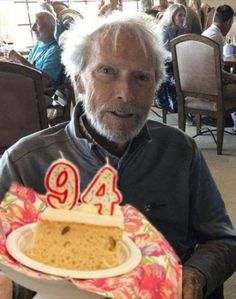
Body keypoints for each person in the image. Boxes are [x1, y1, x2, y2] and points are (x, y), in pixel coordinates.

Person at [0, 12, 236, 299]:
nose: (125, 93)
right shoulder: (24, 163)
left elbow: (222, 238)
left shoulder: (180, 152)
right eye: (107, 72)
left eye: (140, 77)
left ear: (155, 87)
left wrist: (194, 276)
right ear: (79, 80)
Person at [7, 11, 62, 90]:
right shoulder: (39, 44)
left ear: (51, 28)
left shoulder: (55, 51)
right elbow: (29, 65)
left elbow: (44, 82)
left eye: (37, 24)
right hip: (27, 87)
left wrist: (20, 59)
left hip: (40, 95)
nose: (32, 28)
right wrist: (15, 60)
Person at [202, 4, 236, 132]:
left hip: (194, 86)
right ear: (228, 22)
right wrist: (232, 77)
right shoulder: (218, 38)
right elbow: (217, 72)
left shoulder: (206, 33)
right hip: (211, 90)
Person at [155, 3, 186, 112]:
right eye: (180, 15)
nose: (183, 18)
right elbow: (162, 52)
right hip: (164, 65)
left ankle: (191, 107)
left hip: (177, 63)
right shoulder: (163, 30)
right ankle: (177, 106)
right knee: (181, 81)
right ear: (172, 16)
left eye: (184, 15)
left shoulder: (181, 29)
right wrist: (176, 56)